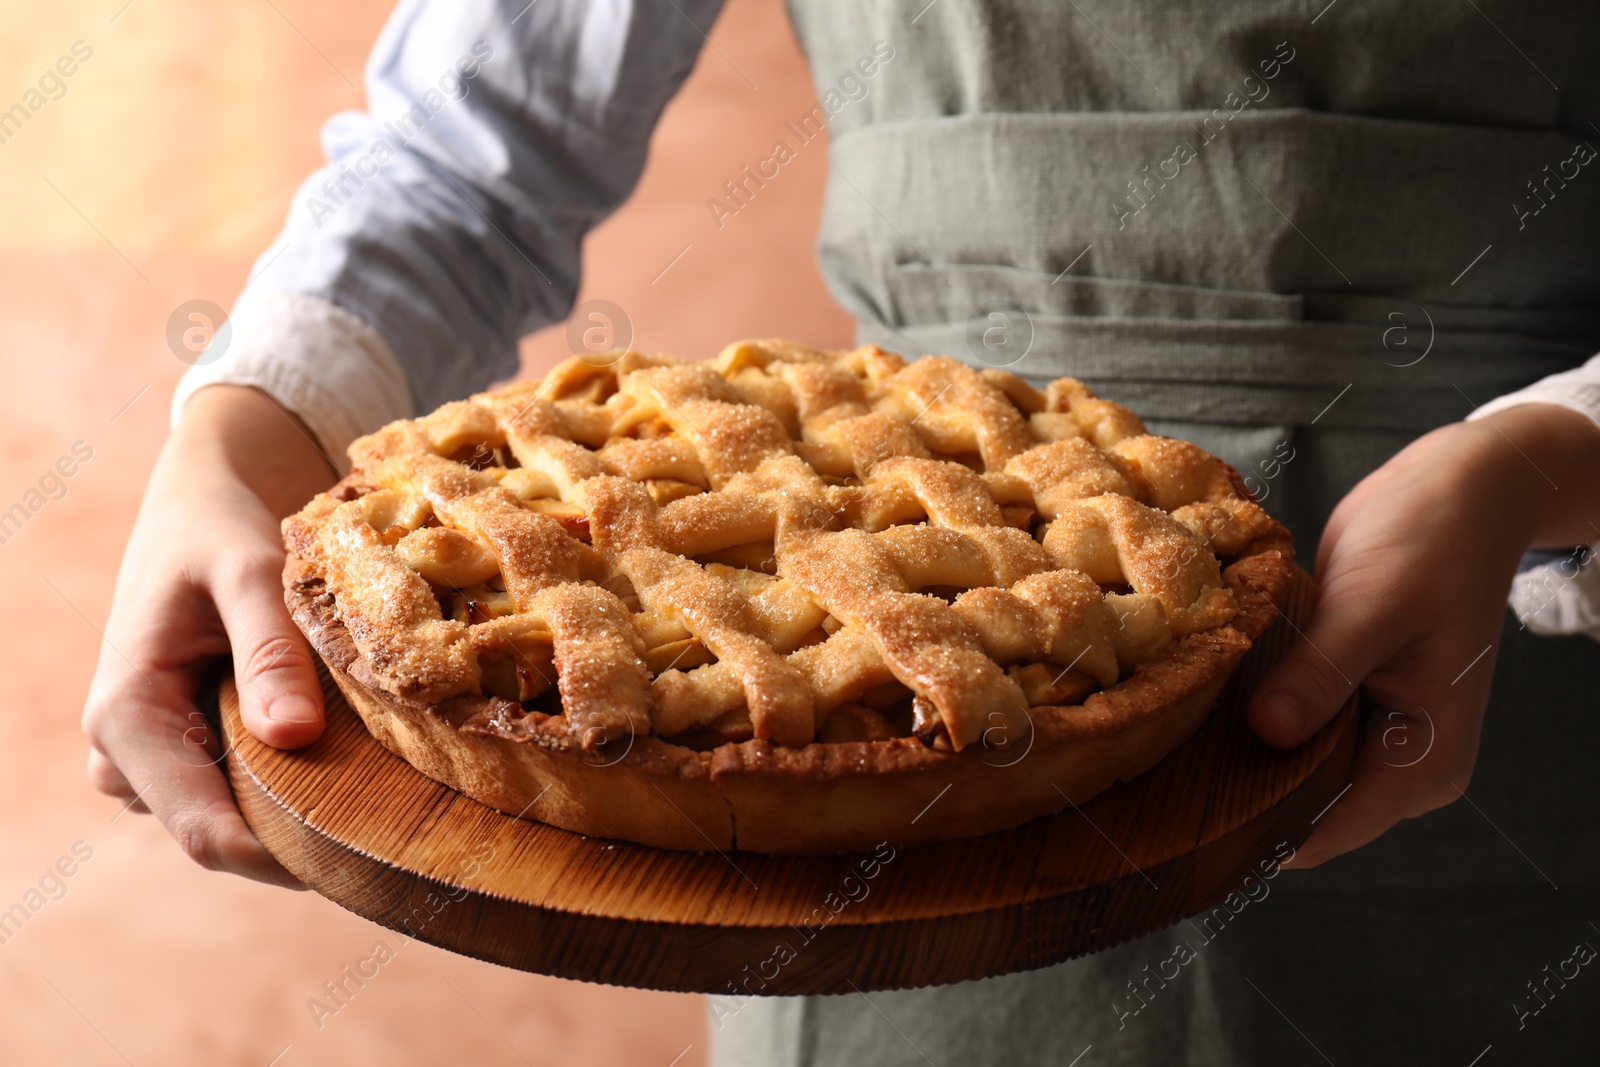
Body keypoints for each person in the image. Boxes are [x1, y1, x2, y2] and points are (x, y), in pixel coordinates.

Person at [83, 0, 1600, 1062]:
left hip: (1527, 651)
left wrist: (1541, 460)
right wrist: (245, 428)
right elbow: (469, 161)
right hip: (860, 776)